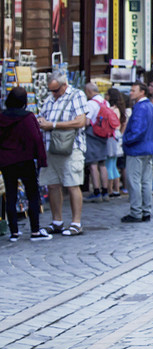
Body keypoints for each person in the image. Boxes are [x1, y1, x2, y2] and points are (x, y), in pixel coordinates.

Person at [37, 74, 88, 236]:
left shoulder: (77, 95)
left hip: (71, 148)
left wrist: (52, 125)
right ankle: (57, 221)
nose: (54, 94)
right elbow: (42, 117)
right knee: (52, 184)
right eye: (51, 91)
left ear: (64, 85)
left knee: (72, 184)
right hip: (50, 148)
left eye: (56, 90)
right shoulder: (50, 99)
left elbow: (80, 122)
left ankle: (76, 222)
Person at [1, 87, 50, 241]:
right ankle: (35, 231)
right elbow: (36, 138)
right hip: (25, 160)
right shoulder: (28, 117)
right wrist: (41, 159)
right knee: (32, 195)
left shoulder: (2, 117)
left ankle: (14, 232)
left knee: (10, 194)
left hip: (7, 161)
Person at [121, 82, 153, 224]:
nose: (130, 93)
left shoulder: (140, 108)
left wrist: (126, 140)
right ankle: (145, 210)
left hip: (137, 149)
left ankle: (136, 211)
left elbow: (137, 130)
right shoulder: (150, 106)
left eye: (133, 90)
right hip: (148, 147)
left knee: (134, 181)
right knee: (146, 181)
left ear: (142, 92)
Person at [82, 82, 111, 202]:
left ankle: (96, 191)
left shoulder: (90, 104)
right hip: (103, 136)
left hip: (92, 136)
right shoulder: (105, 102)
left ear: (89, 91)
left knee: (93, 165)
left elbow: (87, 122)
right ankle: (106, 191)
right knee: (102, 164)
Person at [104, 87, 126, 197]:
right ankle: (116, 189)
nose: (105, 96)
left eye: (106, 94)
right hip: (117, 136)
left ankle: (110, 189)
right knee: (113, 164)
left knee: (109, 164)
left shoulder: (111, 109)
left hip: (111, 136)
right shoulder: (119, 109)